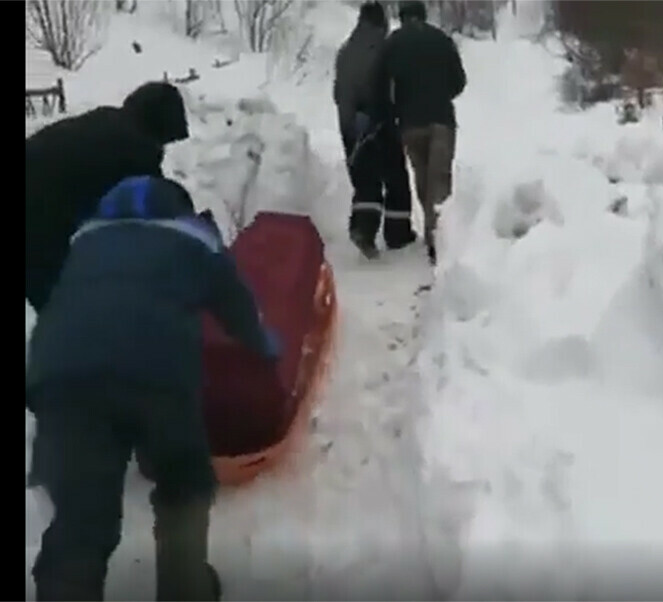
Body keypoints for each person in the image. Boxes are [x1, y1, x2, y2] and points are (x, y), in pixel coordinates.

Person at [26, 175, 283, 601]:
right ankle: (186, 587)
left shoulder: (84, 244)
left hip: (59, 378)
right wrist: (265, 346)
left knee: (80, 517)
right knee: (183, 481)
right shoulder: (194, 239)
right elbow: (237, 306)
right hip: (156, 373)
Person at [26, 81, 189, 313]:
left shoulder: (107, 120)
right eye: (164, 140)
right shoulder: (137, 148)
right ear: (158, 127)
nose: (161, 148)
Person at [376, 0, 467, 264]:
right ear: (423, 15)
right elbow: (459, 81)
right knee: (439, 181)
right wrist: (441, 94)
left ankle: (433, 231)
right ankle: (437, 239)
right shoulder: (441, 39)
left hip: (410, 124)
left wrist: (397, 107)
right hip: (441, 120)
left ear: (403, 17)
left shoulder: (392, 44)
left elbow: (382, 84)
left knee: (422, 177)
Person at [334, 0, 417, 259]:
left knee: (365, 179)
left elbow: (339, 90)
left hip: (348, 125)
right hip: (377, 121)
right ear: (380, 22)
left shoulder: (346, 50)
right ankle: (397, 233)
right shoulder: (383, 48)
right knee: (396, 178)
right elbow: (389, 86)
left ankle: (363, 229)